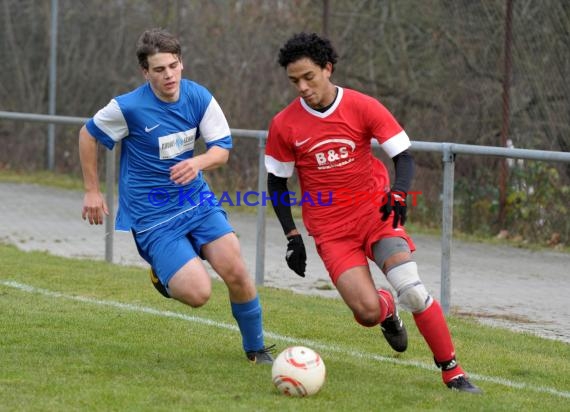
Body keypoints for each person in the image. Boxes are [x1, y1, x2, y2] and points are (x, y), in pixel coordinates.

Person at [265, 32, 481, 392]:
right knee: (366, 313)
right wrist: (292, 236)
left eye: (308, 77)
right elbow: (276, 184)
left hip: (376, 215)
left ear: (328, 68)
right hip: (332, 232)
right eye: (294, 81)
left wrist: (398, 193)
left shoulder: (362, 106)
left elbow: (404, 156)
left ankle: (453, 372)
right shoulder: (284, 124)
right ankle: (386, 312)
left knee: (411, 289)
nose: (301, 87)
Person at [79, 28, 273, 364]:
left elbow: (222, 149)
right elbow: (87, 133)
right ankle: (162, 274)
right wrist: (92, 190)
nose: (168, 75)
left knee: (237, 270)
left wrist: (197, 162)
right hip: (152, 215)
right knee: (198, 294)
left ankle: (255, 349)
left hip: (195, 201)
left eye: (173, 65)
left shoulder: (198, 97)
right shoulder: (129, 107)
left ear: (181, 63)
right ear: (146, 72)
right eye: (159, 69)